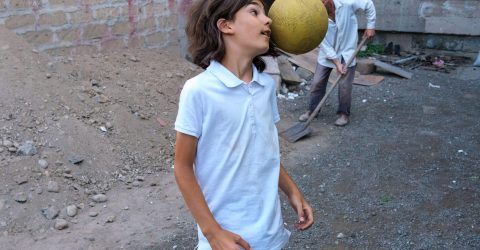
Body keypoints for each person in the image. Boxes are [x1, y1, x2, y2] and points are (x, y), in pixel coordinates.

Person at [174, 0, 314, 249]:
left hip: (271, 237)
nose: (268, 19)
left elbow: (265, 152)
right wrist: (213, 232)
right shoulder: (198, 91)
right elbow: (182, 167)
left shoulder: (265, 87)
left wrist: (292, 191)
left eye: (265, 13)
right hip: (226, 241)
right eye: (254, 11)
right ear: (226, 25)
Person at [298, 0, 376, 126]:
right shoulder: (315, 16)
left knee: (345, 86)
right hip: (327, 54)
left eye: (323, 1)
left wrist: (370, 26)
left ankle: (343, 114)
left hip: (347, 51)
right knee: (317, 82)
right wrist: (336, 62)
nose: (321, 4)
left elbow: (368, 4)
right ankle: (312, 110)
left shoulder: (347, 3)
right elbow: (322, 42)